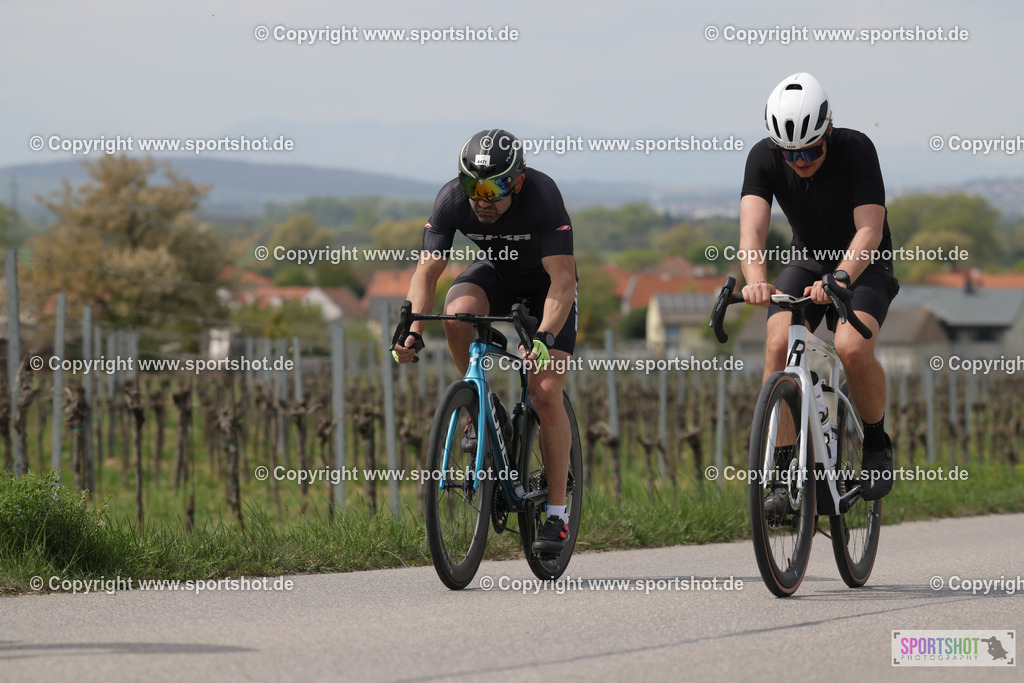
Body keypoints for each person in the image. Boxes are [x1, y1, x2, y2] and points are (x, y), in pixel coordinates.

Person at [392, 129, 578, 553]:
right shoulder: (452, 200)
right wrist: (412, 331)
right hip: (496, 276)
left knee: (545, 391)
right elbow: (427, 272)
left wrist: (546, 336)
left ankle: (556, 516)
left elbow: (563, 281)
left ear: (517, 181)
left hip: (546, 289)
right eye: (471, 186)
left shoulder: (543, 196)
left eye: (493, 188)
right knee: (457, 318)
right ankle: (479, 407)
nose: (480, 198)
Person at [738, 73, 900, 501]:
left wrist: (844, 275)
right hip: (808, 260)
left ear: (829, 128)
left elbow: (870, 229)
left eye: (810, 150)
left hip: (865, 264)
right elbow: (751, 236)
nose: (799, 161)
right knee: (777, 345)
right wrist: (756, 282)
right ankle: (786, 465)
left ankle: (877, 442)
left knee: (850, 347)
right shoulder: (763, 157)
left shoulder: (857, 148)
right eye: (789, 154)